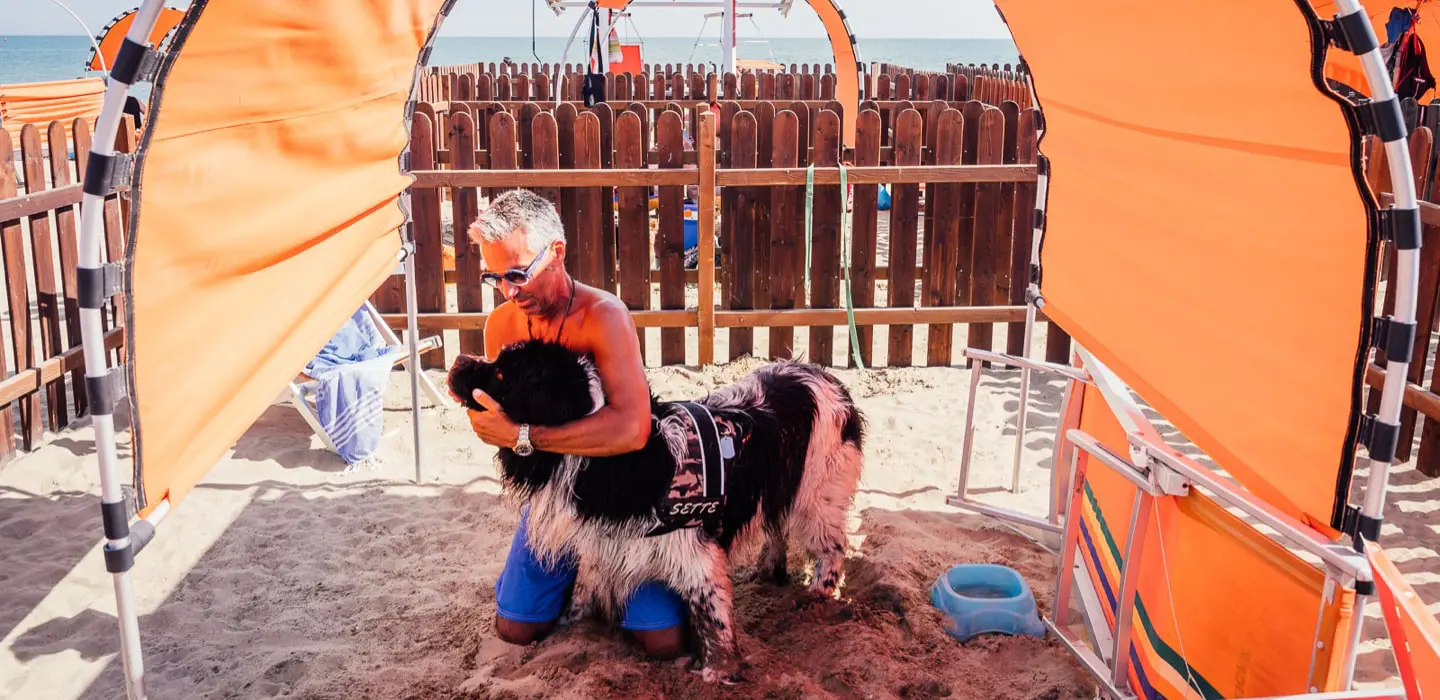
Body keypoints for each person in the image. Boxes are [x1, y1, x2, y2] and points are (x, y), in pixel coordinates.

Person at [456, 189, 688, 659]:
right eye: (495, 277)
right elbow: (496, 425)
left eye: (518, 273)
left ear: (556, 252)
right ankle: (571, 579)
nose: (509, 290)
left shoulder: (604, 317)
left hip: (622, 492)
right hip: (552, 495)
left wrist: (525, 437)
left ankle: (611, 581)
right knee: (516, 630)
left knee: (662, 641)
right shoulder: (503, 324)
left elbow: (632, 428)